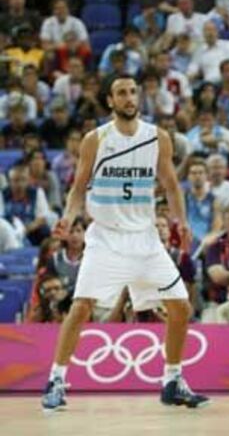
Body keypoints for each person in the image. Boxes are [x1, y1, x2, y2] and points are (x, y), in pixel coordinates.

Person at [41, 75, 209, 412]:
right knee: (81, 307)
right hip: (106, 238)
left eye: (133, 91)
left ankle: (172, 380)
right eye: (122, 93)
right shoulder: (96, 139)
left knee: (180, 308)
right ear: (110, 101)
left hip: (145, 239)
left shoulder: (158, 138)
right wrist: (70, 216)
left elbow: (172, 186)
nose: (130, 97)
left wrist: (181, 220)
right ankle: (56, 380)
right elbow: (78, 188)